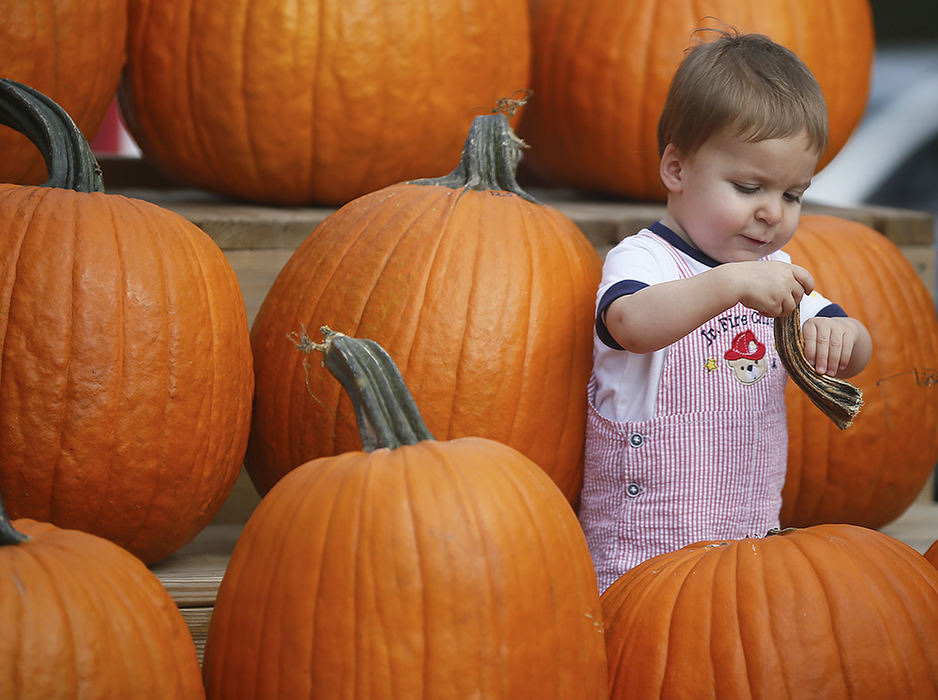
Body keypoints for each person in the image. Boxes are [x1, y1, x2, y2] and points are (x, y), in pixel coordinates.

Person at [577, 29, 873, 593]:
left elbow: (854, 349)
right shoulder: (645, 258)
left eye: (792, 195)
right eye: (748, 186)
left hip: (746, 534)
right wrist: (730, 284)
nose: (771, 214)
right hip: (644, 545)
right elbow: (630, 325)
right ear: (677, 170)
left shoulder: (774, 272)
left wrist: (843, 334)